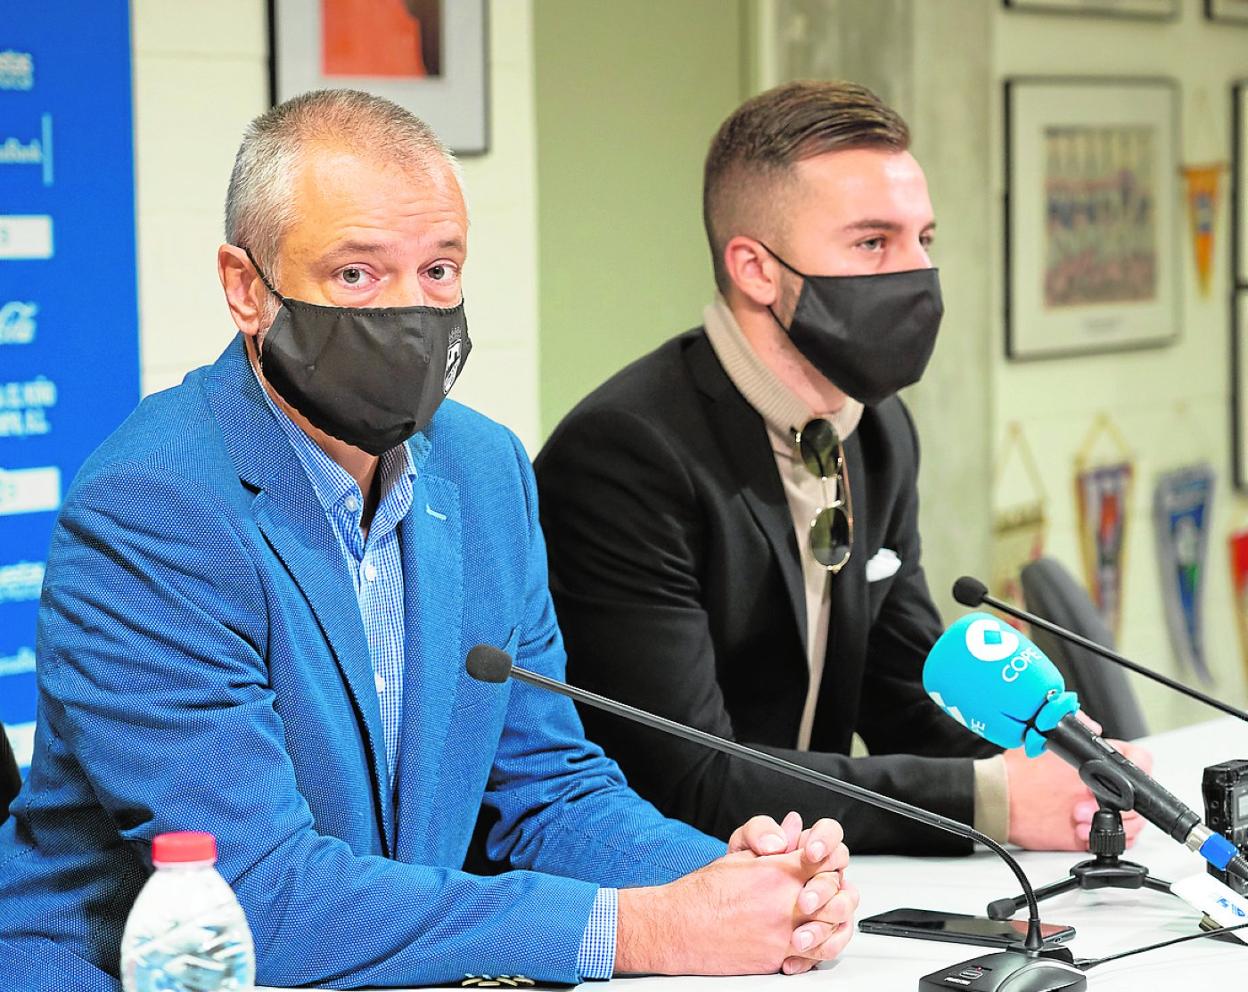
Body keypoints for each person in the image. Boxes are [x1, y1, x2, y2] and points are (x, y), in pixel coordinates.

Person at [0, 90, 858, 991]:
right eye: (358, 275)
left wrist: (736, 880)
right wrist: (647, 929)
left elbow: (546, 791)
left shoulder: (484, 470)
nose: (411, 313)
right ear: (246, 288)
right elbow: (262, 900)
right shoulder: (154, 507)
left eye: (440, 271)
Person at [535, 80, 1150, 856]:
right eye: (873, 243)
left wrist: (1049, 767)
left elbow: (901, 692)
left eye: (924, 239)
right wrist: (987, 800)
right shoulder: (627, 454)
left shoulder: (877, 429)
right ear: (756, 269)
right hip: (657, 897)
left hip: (807, 888)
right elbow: (685, 779)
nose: (917, 273)